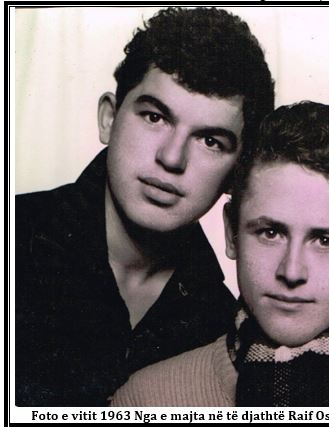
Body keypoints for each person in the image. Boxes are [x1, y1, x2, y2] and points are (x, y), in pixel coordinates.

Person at [110, 101, 329, 407]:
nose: (292, 271)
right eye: (270, 233)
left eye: (325, 241)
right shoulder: (146, 400)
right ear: (232, 233)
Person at [15, 7, 274, 406]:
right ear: (109, 118)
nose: (172, 158)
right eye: (155, 117)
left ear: (236, 175)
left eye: (210, 141)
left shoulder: (224, 327)